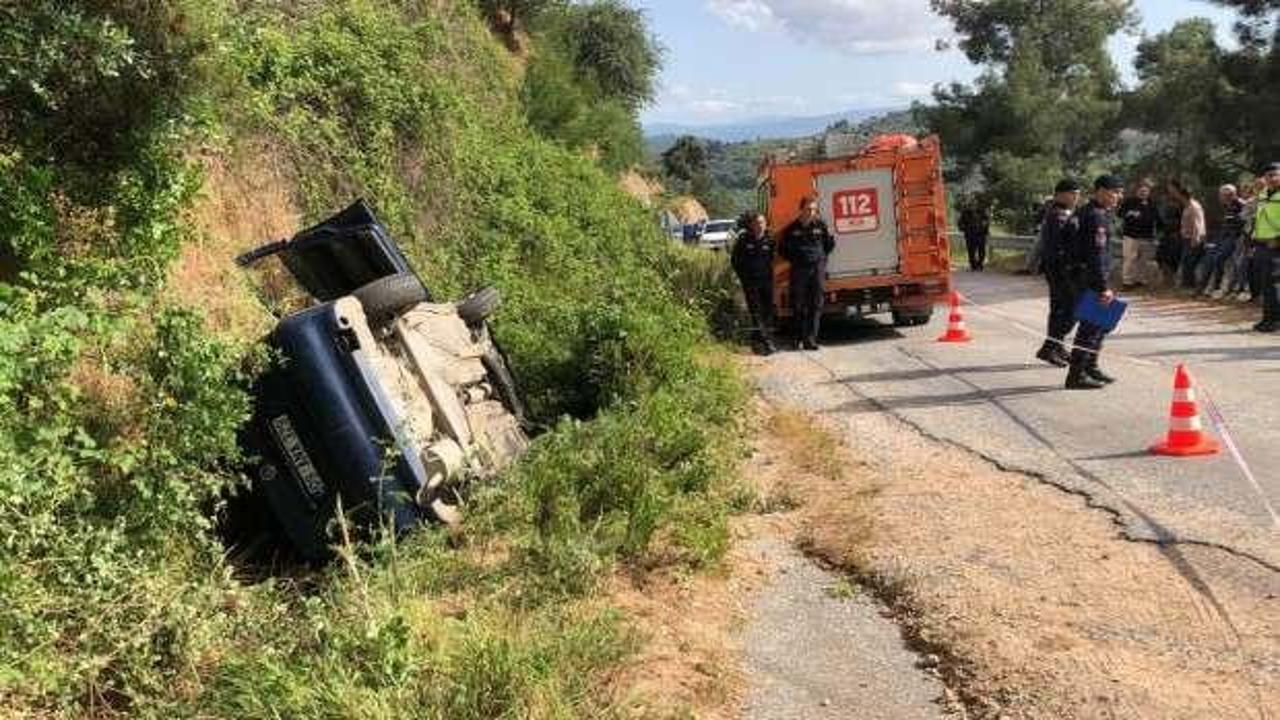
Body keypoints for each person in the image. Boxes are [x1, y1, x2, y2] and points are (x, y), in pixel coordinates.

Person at [1064, 175, 1124, 390]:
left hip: (1087, 276)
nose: (1118, 196)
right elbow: (1095, 255)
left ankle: (1090, 367)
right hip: (1090, 278)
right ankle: (1076, 374)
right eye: (1115, 191)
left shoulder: (1090, 212)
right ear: (1101, 191)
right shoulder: (1095, 216)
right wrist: (1102, 287)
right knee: (1090, 327)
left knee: (1099, 325)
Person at [1035, 179, 1082, 367]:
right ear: (1061, 194)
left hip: (1056, 267)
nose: (1076, 197)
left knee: (1058, 309)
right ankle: (1049, 347)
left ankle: (1056, 346)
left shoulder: (1063, 212)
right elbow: (1061, 245)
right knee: (1071, 309)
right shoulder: (1058, 215)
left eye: (1077, 193)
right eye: (1073, 193)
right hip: (1060, 269)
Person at [780, 196, 835, 350]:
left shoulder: (821, 226)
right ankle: (797, 338)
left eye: (814, 209)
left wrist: (820, 258)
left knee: (815, 305)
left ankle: (811, 340)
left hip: (816, 269)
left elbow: (829, 244)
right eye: (808, 209)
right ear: (801, 209)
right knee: (798, 305)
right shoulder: (792, 228)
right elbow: (782, 249)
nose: (811, 212)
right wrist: (796, 259)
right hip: (799, 271)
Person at [730, 212, 778, 354]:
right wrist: (743, 278)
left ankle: (759, 339)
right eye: (757, 223)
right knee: (756, 311)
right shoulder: (744, 241)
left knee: (767, 311)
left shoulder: (770, 240)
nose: (760, 226)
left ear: (766, 224)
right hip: (751, 282)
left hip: (766, 281)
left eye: (762, 223)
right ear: (752, 225)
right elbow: (735, 260)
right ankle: (767, 342)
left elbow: (773, 260)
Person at [1204, 184, 1247, 298]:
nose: (1221, 197)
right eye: (1222, 195)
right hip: (1226, 237)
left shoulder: (1241, 205)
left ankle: (1231, 289)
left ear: (1232, 195)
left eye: (1224, 195)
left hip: (1237, 238)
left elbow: (1245, 222)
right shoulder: (1228, 206)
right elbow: (1228, 223)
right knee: (1216, 258)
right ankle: (1218, 287)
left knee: (1227, 260)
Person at [1252, 162, 1280, 333]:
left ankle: (1275, 321)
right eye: (1269, 175)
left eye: (1275, 175)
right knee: (1265, 283)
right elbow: (1259, 217)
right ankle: (1267, 318)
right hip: (1262, 243)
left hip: (1276, 245)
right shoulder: (1263, 194)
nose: (1272, 178)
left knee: (1274, 283)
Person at [1117, 179, 1159, 289]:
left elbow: (1157, 219)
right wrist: (1130, 213)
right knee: (1130, 259)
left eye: (1145, 191)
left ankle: (1140, 280)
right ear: (1137, 191)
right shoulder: (1129, 202)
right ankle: (1127, 282)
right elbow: (1120, 214)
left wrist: (1159, 233)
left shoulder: (1152, 203)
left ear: (1149, 192)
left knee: (1143, 260)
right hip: (1131, 235)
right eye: (1141, 191)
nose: (1143, 193)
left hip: (1146, 236)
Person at [1168, 179, 1207, 290]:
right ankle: (1187, 285)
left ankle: (1190, 286)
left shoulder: (1194, 206)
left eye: (1179, 195)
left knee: (1189, 262)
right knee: (1186, 262)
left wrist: (1195, 238)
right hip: (1186, 237)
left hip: (1192, 238)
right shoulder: (1187, 206)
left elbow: (1198, 223)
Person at [958, 200, 990, 271]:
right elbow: (960, 223)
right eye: (971, 205)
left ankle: (980, 264)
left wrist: (985, 226)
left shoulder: (982, 212)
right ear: (969, 205)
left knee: (981, 250)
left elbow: (987, 220)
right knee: (971, 251)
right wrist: (965, 229)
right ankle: (973, 265)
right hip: (970, 235)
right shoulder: (965, 213)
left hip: (980, 234)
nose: (973, 206)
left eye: (975, 205)